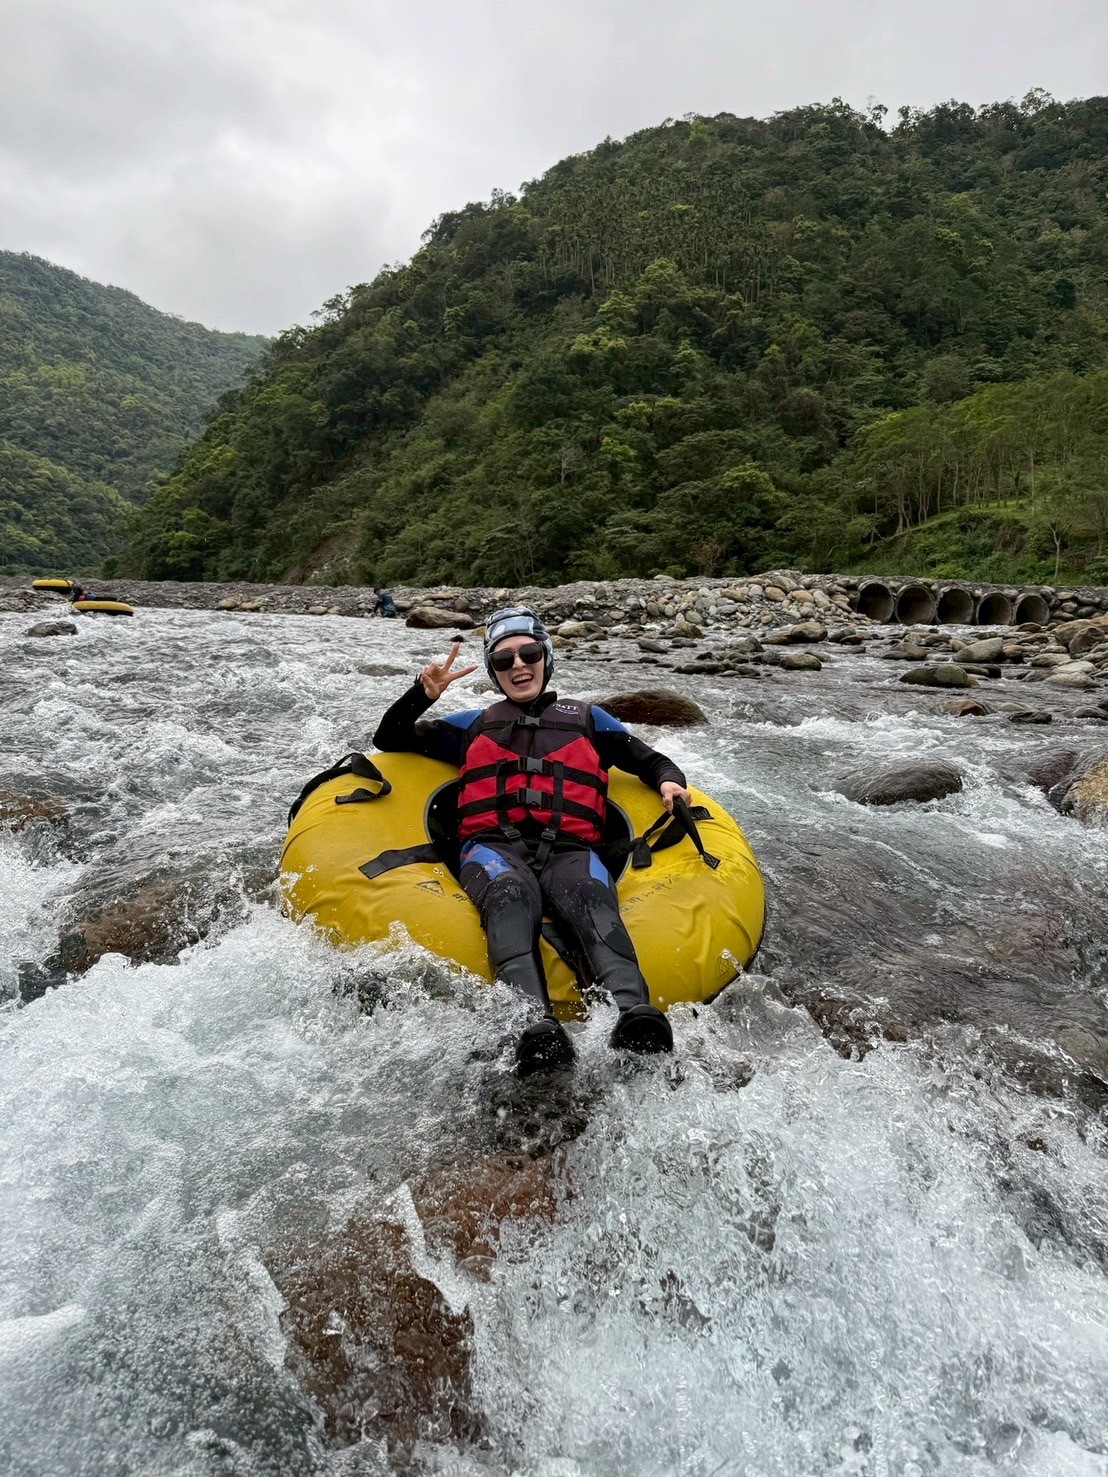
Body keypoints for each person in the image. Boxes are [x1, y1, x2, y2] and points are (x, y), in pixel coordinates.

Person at [373, 605, 692, 1075]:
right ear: (493, 671)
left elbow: (649, 759)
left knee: (588, 893)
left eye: (528, 654)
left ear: (546, 657)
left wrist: (669, 782)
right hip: (492, 848)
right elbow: (389, 737)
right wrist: (423, 693)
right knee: (509, 894)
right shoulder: (471, 724)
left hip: (571, 848)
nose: (518, 666)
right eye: (504, 661)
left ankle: (633, 1015)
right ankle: (533, 1024)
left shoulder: (589, 719)